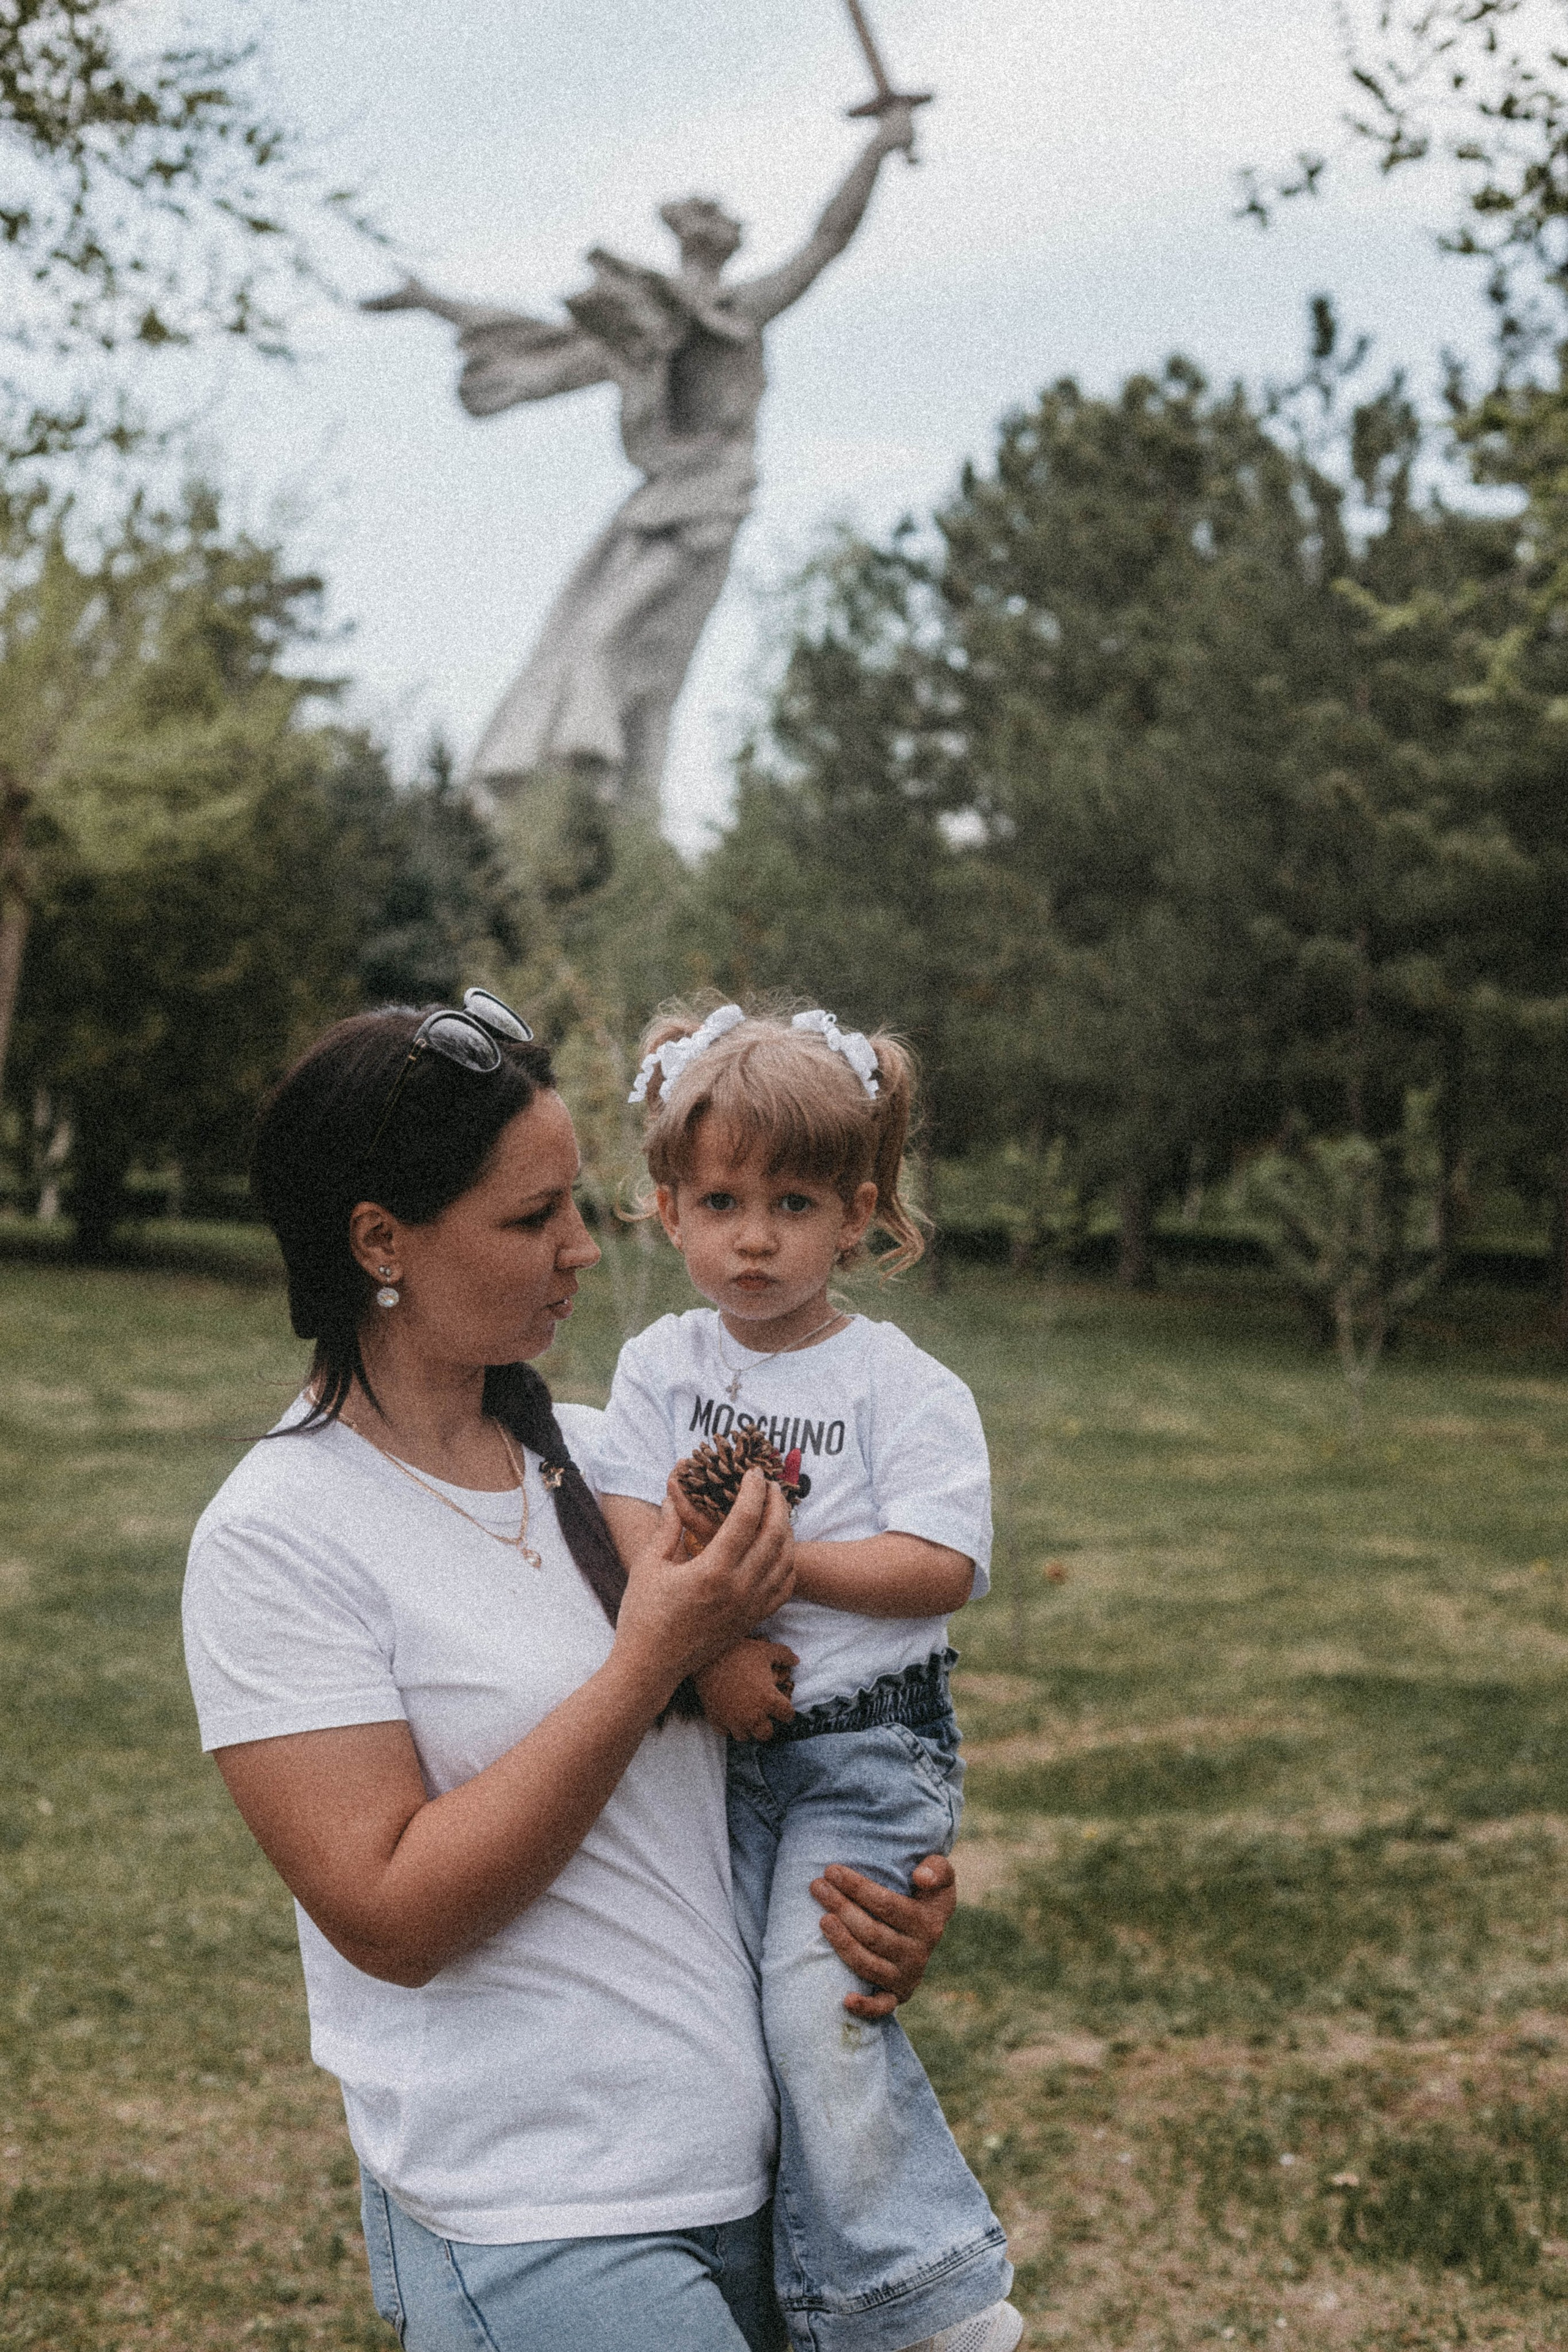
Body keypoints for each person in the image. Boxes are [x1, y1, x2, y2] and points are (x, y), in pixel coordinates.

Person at [180, 990, 963, 2352]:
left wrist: (864, 1892)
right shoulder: (278, 1536)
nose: (582, 1253)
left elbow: (790, 1721)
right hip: (542, 2219)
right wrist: (648, 1655)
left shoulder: (613, 1463)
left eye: (580, 1208)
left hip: (760, 2191)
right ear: (382, 1243)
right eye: (531, 1218)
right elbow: (391, 1916)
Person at [595, 1001, 1020, 2352]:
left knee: (817, 2008)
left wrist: (780, 1571)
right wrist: (712, 1644)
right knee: (729, 2049)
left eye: (793, 1200)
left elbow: (941, 1562)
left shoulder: (895, 1381)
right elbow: (621, 1519)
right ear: (666, 1211)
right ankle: (793, 2312)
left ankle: (927, 2304)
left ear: (859, 1213)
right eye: (720, 1200)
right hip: (719, 1748)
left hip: (863, 1750)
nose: (755, 1236)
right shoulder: (661, 1366)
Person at [361, 102, 919, 819]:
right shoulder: (649, 325)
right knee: (598, 636)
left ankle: (620, 805)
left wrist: (876, 146)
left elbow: (828, 236)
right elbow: (534, 342)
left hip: (713, 499)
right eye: (715, 215)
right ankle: (582, 781)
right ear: (700, 236)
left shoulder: (740, 309)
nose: (729, 220)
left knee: (652, 665)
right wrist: (430, 300)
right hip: (663, 503)